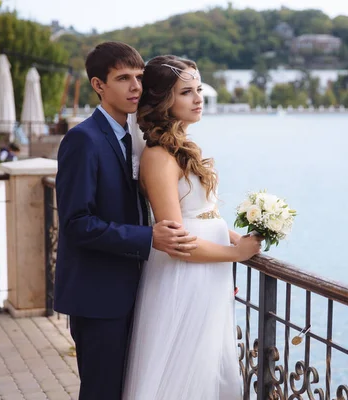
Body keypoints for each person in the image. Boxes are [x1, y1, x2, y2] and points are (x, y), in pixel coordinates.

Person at [53, 42, 198, 400]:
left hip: (137, 289)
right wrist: (148, 238)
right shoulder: (82, 139)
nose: (135, 87)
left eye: (139, 78)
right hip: (98, 295)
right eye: (123, 78)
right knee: (102, 391)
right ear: (99, 85)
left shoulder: (135, 137)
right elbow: (76, 223)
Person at [122, 55, 262, 399]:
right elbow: (176, 241)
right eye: (186, 92)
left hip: (208, 275)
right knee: (183, 373)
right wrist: (235, 253)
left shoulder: (184, 148)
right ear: (162, 100)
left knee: (209, 370)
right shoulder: (158, 157)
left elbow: (201, 213)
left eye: (198, 89)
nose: (198, 98)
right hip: (183, 277)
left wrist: (236, 235)